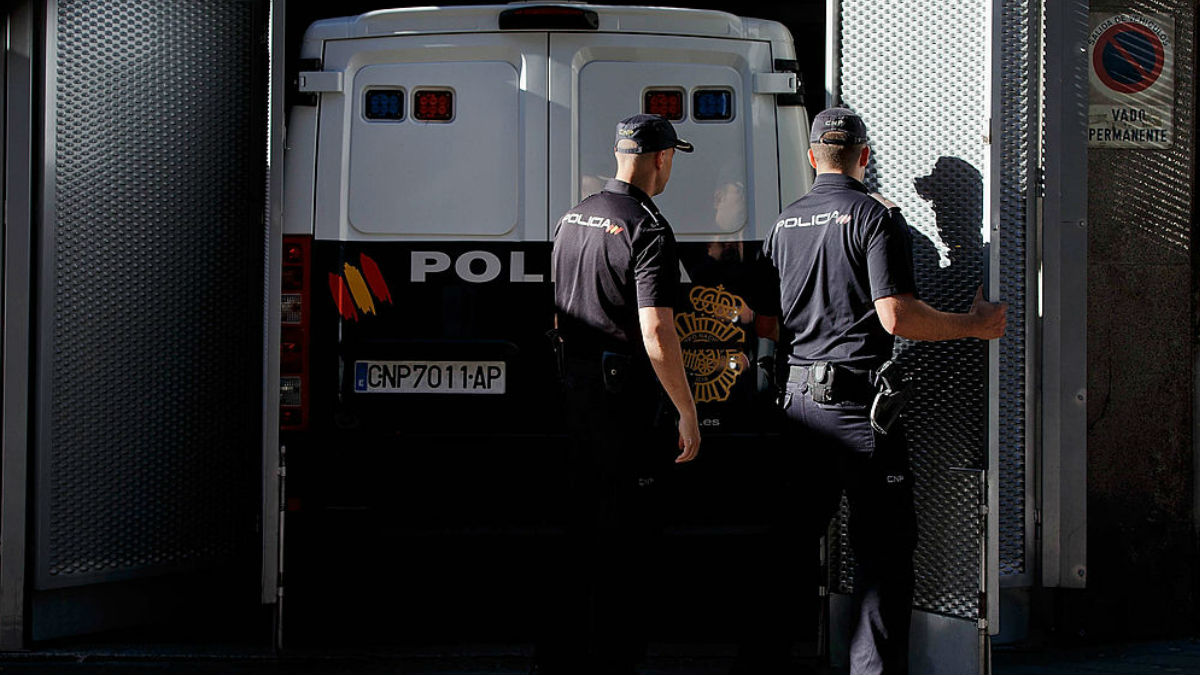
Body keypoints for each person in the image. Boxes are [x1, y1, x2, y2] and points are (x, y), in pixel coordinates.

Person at [757, 107, 1007, 675]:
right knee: (884, 555)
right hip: (858, 413)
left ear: (812, 157)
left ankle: (759, 662)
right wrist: (974, 325)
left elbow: (768, 322)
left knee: (790, 548)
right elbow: (895, 317)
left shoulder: (785, 222)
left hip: (799, 406)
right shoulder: (873, 218)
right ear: (864, 157)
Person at [538, 113, 701, 675]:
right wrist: (686, 409)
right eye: (672, 157)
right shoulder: (648, 226)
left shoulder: (573, 216)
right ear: (661, 159)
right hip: (624, 402)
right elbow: (657, 329)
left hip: (576, 393)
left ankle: (562, 659)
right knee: (627, 545)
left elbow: (557, 310)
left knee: (580, 533)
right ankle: (614, 663)